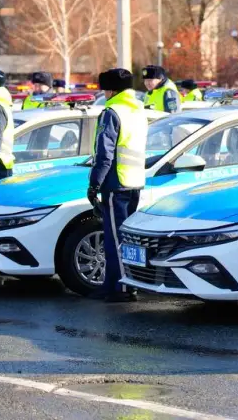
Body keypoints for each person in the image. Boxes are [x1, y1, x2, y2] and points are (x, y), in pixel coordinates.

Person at [88, 68, 147, 302]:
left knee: (115, 240)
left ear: (111, 89)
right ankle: (114, 283)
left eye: (104, 88)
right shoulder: (137, 109)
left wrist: (94, 184)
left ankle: (122, 288)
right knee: (127, 239)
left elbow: (105, 154)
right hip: (134, 181)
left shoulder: (112, 112)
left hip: (116, 182)